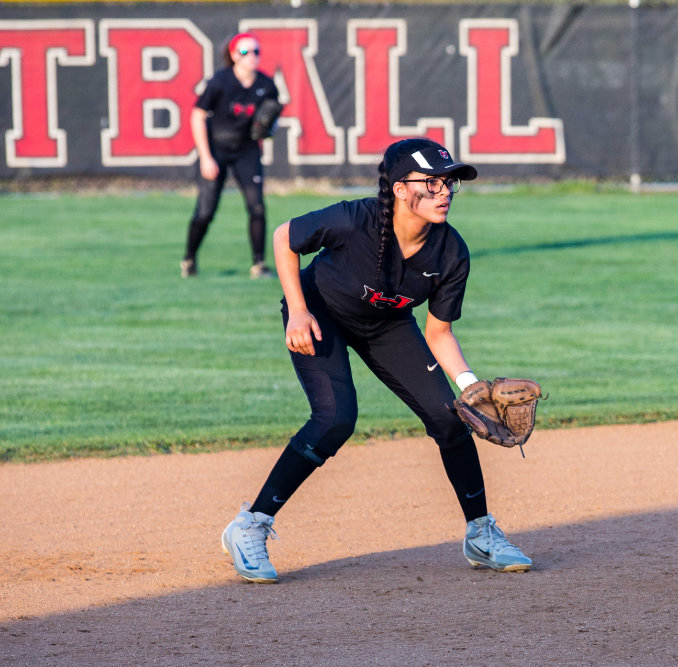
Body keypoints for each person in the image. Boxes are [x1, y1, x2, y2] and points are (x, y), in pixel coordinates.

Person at [220, 137, 533, 583]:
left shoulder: (450, 252)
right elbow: (285, 236)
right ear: (401, 188)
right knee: (335, 418)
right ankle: (250, 525)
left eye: (450, 183)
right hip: (320, 311)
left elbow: (439, 332)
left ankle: (480, 533)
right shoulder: (356, 219)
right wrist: (299, 309)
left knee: (450, 419)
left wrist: (468, 384)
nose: (444, 191)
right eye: (433, 182)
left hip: (386, 324)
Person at [181, 32, 280, 279]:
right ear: (235, 55)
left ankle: (259, 264)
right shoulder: (220, 82)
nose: (253, 57)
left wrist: (268, 128)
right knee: (206, 210)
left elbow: (270, 122)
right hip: (217, 148)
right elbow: (198, 115)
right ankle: (189, 259)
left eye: (256, 51)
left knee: (257, 207)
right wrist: (205, 156)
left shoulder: (266, 86)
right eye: (246, 52)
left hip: (246, 149)